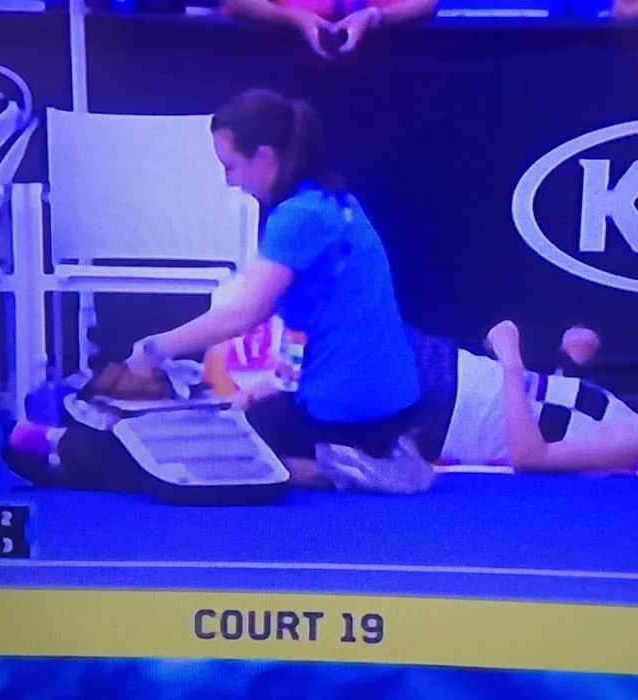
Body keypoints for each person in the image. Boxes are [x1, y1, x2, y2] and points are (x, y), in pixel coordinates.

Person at [125, 88, 425, 489]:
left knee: (210, 441)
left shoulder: (297, 217)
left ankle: (337, 466)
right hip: (391, 405)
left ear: (265, 157)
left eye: (230, 167)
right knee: (239, 415)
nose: (229, 181)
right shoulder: (337, 202)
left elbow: (242, 314)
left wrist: (154, 348)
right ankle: (359, 456)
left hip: (346, 411)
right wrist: (261, 391)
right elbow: (312, 319)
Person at [229, 320, 638, 477]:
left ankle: (259, 397)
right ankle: (262, 392)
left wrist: (511, 361)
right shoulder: (628, 420)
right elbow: (553, 412)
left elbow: (532, 454)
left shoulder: (632, 446)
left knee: (345, 338)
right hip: (455, 378)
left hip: (447, 405)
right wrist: (572, 361)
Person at [221, 0, 439, 58]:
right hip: (275, 64)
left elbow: (425, 3)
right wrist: (293, 18)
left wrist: (374, 17)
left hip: (372, 72)